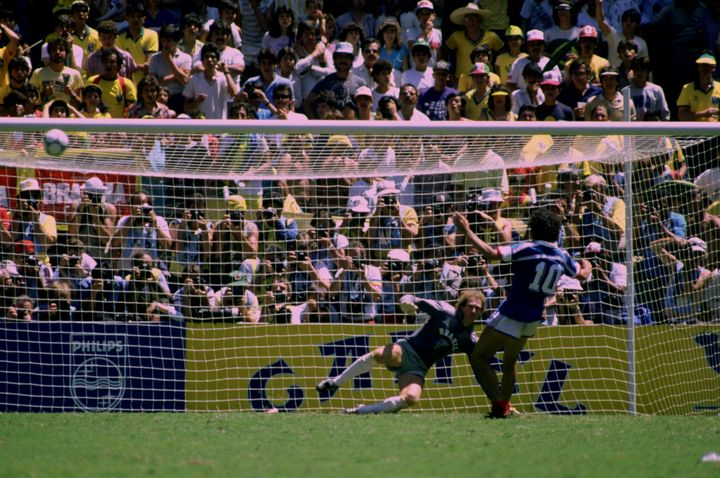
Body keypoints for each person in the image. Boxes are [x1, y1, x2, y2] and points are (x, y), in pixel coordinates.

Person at [452, 206, 592, 418]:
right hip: (534, 317)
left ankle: (500, 405)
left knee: (479, 357)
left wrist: (466, 230)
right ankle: (502, 407)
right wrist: (587, 264)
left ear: (533, 229)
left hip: (512, 313)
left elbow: (491, 253)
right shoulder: (562, 255)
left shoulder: (527, 248)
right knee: (509, 362)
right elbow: (581, 275)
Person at [316, 290, 485, 414]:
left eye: (478, 308)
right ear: (462, 306)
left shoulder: (470, 340)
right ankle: (335, 382)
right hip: (407, 349)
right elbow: (409, 297)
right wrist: (406, 303)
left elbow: (480, 365)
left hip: (419, 369)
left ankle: (358, 411)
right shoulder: (444, 311)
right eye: (471, 306)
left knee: (411, 398)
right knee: (382, 354)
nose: (474, 311)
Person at [183, 42, 239, 119]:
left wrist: (226, 71)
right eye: (206, 57)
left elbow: (235, 94)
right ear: (202, 60)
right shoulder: (194, 79)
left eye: (213, 57)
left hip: (220, 127)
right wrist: (197, 102)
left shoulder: (224, 77)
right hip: (201, 127)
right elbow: (186, 108)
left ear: (217, 60)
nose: (209, 60)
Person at [677, 52, 720, 122]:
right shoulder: (687, 88)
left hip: (715, 131)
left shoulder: (719, 87)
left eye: (708, 65)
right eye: (702, 65)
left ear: (714, 67)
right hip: (694, 131)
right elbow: (682, 116)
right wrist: (703, 114)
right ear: (698, 67)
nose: (704, 68)